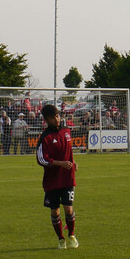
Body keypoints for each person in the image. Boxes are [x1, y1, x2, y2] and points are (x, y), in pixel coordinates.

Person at [35, 104, 78, 249]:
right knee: (55, 210)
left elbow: (69, 152)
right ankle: (61, 239)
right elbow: (41, 159)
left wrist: (73, 162)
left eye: (58, 116)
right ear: (46, 120)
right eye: (53, 118)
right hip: (52, 180)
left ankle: (71, 235)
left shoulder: (66, 131)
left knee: (68, 208)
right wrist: (60, 163)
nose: (57, 119)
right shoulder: (45, 137)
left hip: (67, 178)